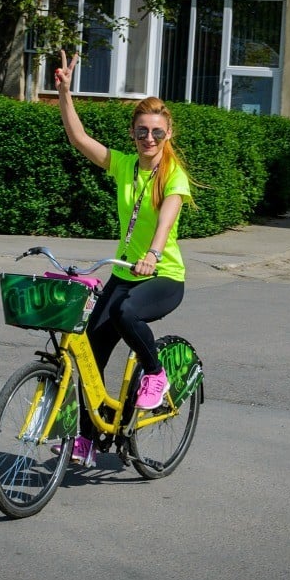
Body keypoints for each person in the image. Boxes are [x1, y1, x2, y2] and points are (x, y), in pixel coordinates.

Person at [53, 50, 193, 466]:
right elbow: (79, 139)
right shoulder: (126, 166)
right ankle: (87, 438)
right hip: (124, 271)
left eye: (157, 132)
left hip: (162, 275)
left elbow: (167, 219)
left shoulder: (173, 175)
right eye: (141, 132)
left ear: (168, 135)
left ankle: (155, 373)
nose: (149, 139)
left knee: (127, 313)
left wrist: (152, 253)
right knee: (89, 352)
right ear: (132, 133)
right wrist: (64, 93)